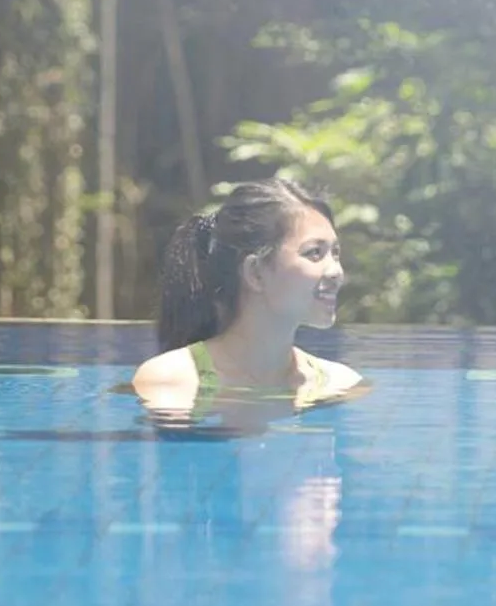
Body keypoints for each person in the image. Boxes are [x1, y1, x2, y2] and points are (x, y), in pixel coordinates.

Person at [132, 177, 364, 422]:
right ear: (255, 273)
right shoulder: (171, 382)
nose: (336, 272)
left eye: (335, 253)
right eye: (314, 253)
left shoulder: (340, 386)